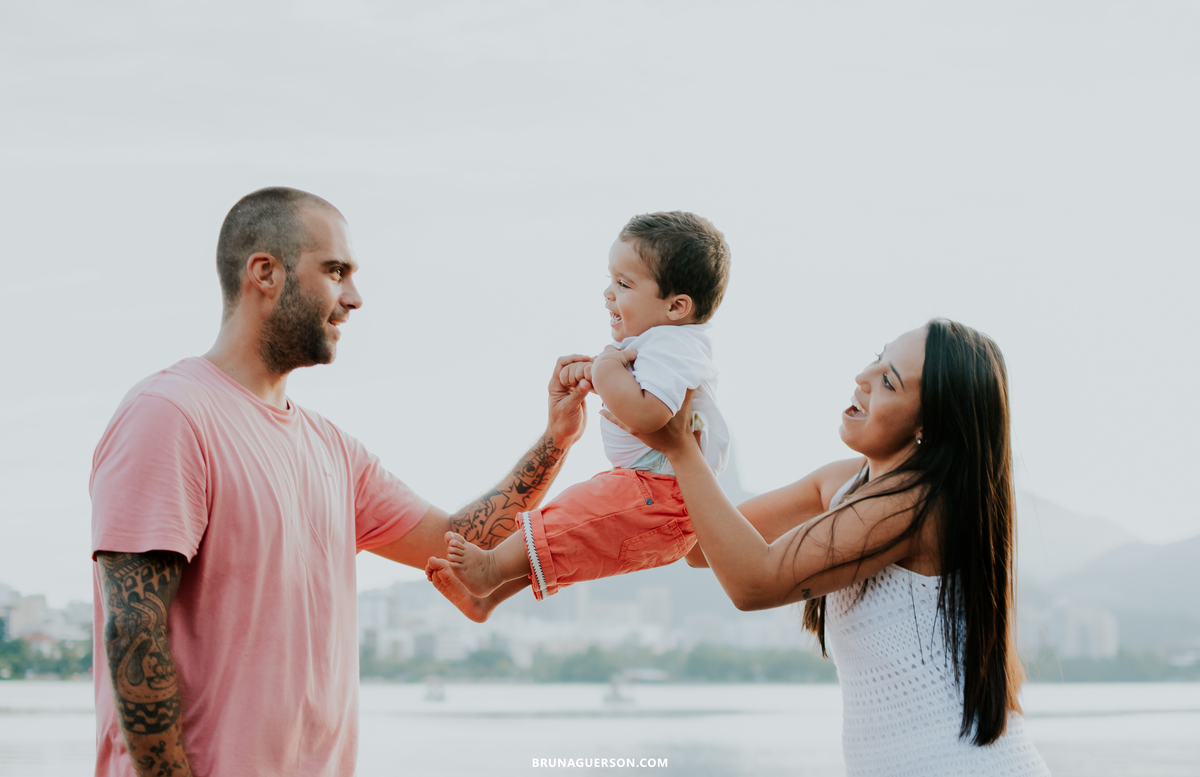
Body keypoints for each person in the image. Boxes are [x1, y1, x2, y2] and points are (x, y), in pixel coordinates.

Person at [89, 187, 591, 777]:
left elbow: (457, 540)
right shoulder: (169, 414)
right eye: (335, 271)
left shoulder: (332, 449)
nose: (354, 298)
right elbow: (133, 631)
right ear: (265, 273)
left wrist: (556, 439)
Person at [608, 320, 1050, 775]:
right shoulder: (842, 484)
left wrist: (682, 449)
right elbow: (703, 550)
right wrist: (680, 424)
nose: (863, 376)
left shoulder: (918, 505)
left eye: (888, 381)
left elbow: (752, 585)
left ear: (928, 423)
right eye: (877, 358)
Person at [427, 211, 731, 618]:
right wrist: (596, 374)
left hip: (663, 494)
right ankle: (487, 596)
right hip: (655, 492)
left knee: (570, 518)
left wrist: (604, 370)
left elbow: (649, 416)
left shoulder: (674, 345)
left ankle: (491, 568)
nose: (609, 293)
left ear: (677, 306)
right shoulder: (663, 344)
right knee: (569, 531)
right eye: (610, 279)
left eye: (624, 284)